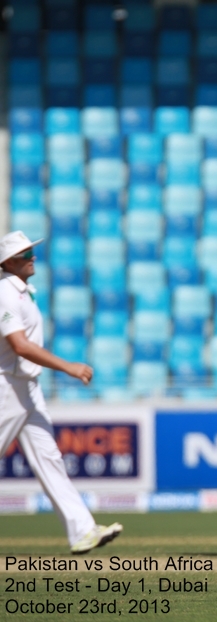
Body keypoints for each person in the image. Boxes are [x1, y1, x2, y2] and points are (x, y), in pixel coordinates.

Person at [0, 231, 123, 554]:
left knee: (50, 458)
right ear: (9, 262)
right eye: (26, 254)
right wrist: (68, 366)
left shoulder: (23, 291)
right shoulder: (4, 292)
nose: (33, 257)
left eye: (32, 252)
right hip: (7, 386)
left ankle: (83, 531)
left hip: (27, 386)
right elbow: (19, 345)